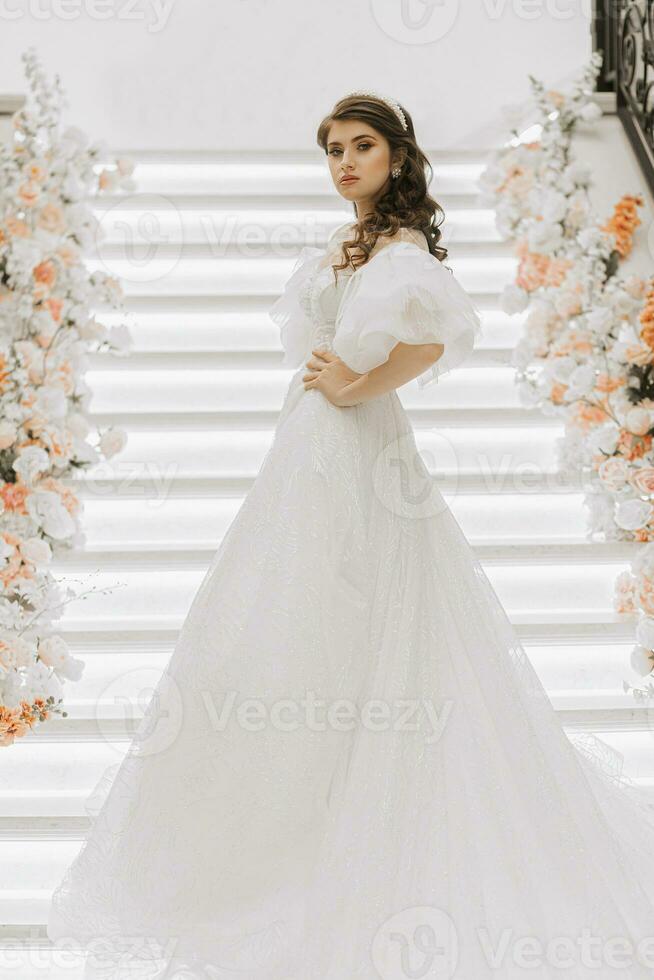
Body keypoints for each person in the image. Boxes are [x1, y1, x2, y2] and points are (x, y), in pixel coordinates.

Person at [47, 91, 654, 980]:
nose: (344, 162)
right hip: (308, 450)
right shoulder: (352, 243)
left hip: (356, 450)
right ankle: (283, 836)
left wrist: (357, 387)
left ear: (397, 156)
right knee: (287, 626)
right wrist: (331, 387)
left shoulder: (405, 252)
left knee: (355, 617)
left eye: (361, 146)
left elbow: (442, 339)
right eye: (332, 149)